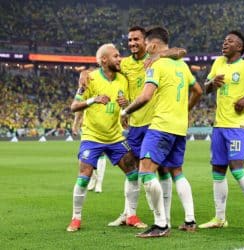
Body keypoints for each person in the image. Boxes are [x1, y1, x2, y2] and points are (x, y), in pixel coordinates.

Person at [121, 26, 202, 238]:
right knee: (177, 172)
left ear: (154, 45)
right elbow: (198, 91)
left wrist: (126, 111)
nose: (146, 49)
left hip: (161, 125)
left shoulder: (156, 64)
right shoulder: (182, 66)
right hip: (179, 127)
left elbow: (146, 96)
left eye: (147, 44)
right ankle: (190, 220)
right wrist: (185, 109)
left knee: (146, 172)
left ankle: (160, 224)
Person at [198, 30, 244, 232]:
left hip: (237, 127)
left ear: (239, 47)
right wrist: (211, 83)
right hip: (219, 126)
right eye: (224, 41)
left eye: (229, 41)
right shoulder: (218, 63)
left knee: (237, 168)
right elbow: (205, 88)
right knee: (218, 171)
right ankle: (220, 218)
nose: (225, 44)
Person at [66, 43, 142, 232]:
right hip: (92, 137)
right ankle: (76, 218)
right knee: (84, 177)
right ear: (104, 60)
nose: (119, 59)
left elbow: (126, 103)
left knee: (133, 173)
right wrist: (94, 99)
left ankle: (131, 215)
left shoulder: (123, 79)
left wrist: (126, 108)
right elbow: (74, 106)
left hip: (116, 136)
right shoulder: (89, 79)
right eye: (116, 56)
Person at [72, 107, 107, 193]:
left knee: (101, 154)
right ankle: (93, 178)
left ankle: (99, 183)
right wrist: (76, 124)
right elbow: (79, 109)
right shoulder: (88, 98)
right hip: (87, 131)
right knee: (83, 159)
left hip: (101, 128)